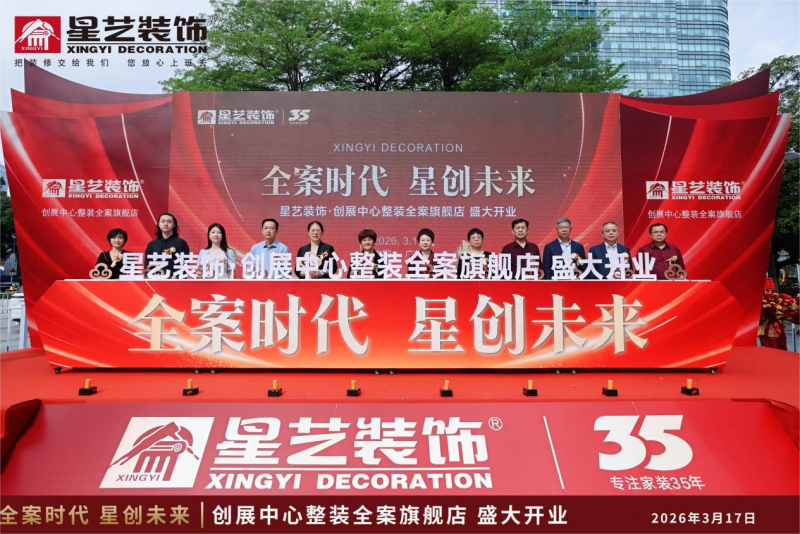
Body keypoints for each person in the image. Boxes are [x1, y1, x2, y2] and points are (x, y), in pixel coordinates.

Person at [145, 213, 190, 278]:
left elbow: (184, 264)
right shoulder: (152, 244)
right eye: (163, 221)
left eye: (169, 222)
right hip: (155, 279)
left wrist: (176, 277)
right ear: (159, 224)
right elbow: (147, 263)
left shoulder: (181, 243)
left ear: (174, 225)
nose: (165, 224)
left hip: (174, 279)